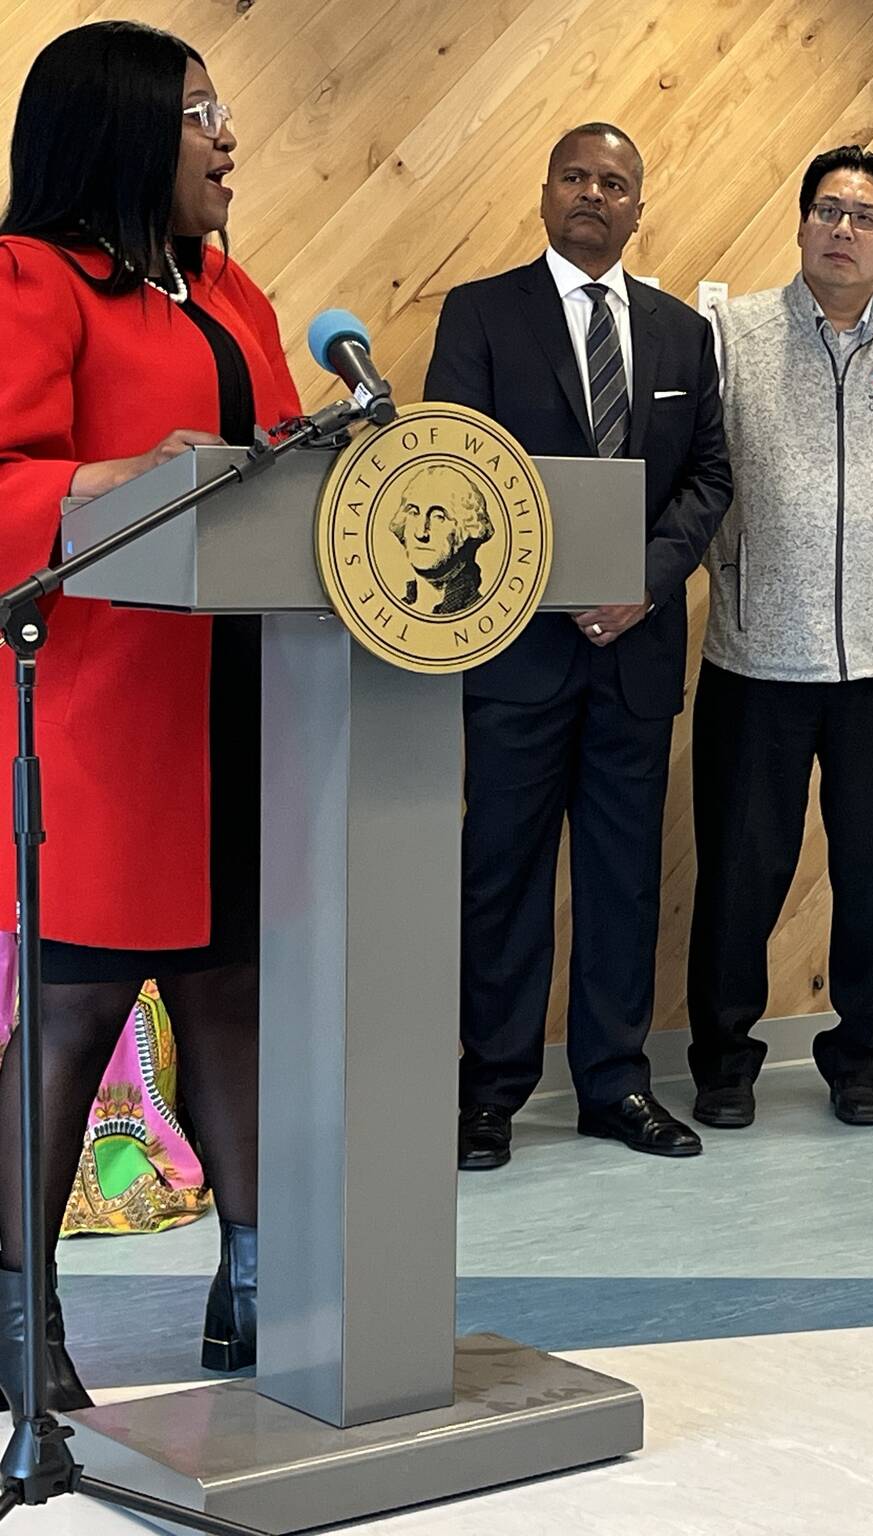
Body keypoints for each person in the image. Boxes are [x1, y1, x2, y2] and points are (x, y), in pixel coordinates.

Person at [0, 21, 303, 1404]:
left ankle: (259, 1291)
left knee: (232, 997)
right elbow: (7, 479)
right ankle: (21, 1318)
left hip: (247, 706)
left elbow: (284, 466)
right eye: (198, 113)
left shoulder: (231, 294)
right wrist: (125, 473)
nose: (225, 136)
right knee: (72, 1017)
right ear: (122, 132)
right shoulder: (34, 280)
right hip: (105, 721)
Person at [427, 123, 732, 1171]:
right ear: (545, 191)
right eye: (575, 177)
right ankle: (489, 1089)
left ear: (637, 207)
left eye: (615, 182)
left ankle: (614, 1084)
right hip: (515, 650)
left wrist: (642, 586)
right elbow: (454, 469)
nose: (593, 194)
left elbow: (710, 478)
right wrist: (547, 584)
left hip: (635, 654)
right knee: (500, 873)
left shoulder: (682, 334)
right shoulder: (481, 315)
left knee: (622, 878)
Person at [687, 145, 873, 1130]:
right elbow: (703, 480)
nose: (842, 229)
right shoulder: (730, 336)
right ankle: (722, 1060)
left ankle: (860, 1058)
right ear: (802, 223)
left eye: (864, 216)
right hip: (755, 659)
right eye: (826, 209)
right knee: (738, 871)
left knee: (870, 872)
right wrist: (746, 571)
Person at [389, 464, 493, 615]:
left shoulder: (478, 611)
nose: (421, 533)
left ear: (467, 528)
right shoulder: (397, 609)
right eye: (413, 513)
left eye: (438, 517)